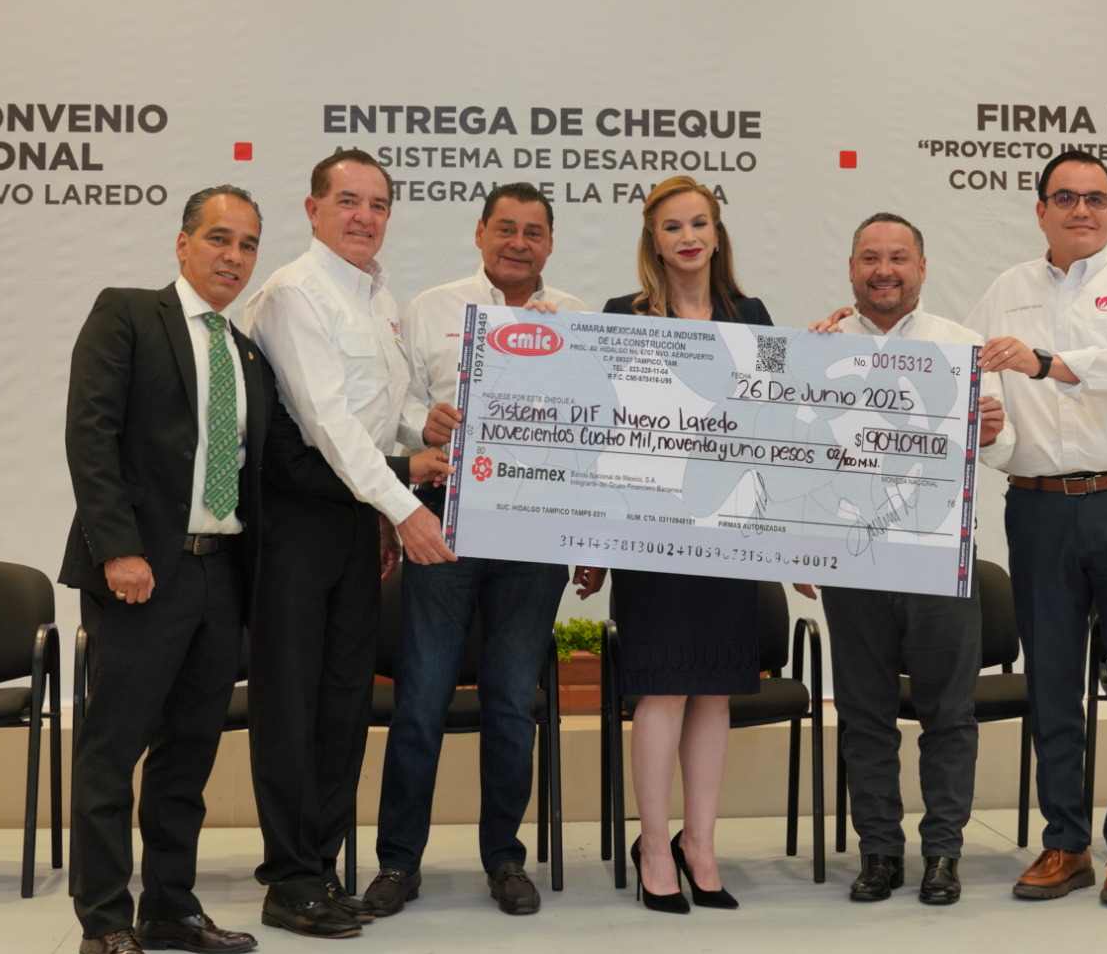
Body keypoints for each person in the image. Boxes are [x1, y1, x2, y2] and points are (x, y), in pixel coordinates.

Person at [243, 149, 455, 939]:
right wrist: (406, 507)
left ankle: (322, 865)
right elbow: (328, 425)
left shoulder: (376, 294)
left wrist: (425, 429)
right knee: (292, 707)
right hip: (296, 527)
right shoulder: (294, 293)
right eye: (348, 200)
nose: (365, 216)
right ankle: (288, 877)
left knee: (343, 704)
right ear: (313, 209)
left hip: (352, 524)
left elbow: (381, 411)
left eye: (378, 203)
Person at [60, 185, 270, 954]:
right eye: (219, 238)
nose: (233, 256)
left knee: (188, 754)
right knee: (113, 750)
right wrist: (117, 547)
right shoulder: (127, 314)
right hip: (141, 571)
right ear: (182, 244)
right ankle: (105, 919)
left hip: (220, 576)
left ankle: (171, 907)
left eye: (248, 244)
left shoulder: (246, 350)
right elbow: (91, 433)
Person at [966, 150, 1107, 906]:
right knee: (1051, 680)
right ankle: (1065, 842)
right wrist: (990, 436)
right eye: (1065, 197)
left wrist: (1048, 362)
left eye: (1095, 198)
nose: (1081, 209)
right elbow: (977, 389)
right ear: (1041, 210)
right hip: (1038, 506)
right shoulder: (1005, 291)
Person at [368, 182, 583, 917]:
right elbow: (394, 404)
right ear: (480, 232)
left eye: (533, 232)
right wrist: (421, 422)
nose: (518, 243)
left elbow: (599, 431)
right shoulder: (430, 308)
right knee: (421, 701)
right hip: (445, 522)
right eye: (505, 228)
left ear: (550, 243)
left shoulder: (578, 319)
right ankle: (398, 862)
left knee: (513, 704)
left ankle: (505, 859)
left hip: (536, 528)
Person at [573, 175, 770, 914]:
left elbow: (771, 429)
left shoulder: (753, 317)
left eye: (699, 223)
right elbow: (600, 434)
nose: (688, 237)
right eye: (672, 227)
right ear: (653, 242)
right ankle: (655, 847)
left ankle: (701, 845)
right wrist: (593, 538)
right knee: (662, 689)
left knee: (714, 690)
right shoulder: (621, 317)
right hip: (648, 533)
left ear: (718, 234)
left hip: (728, 531)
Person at [812, 212, 1012, 906]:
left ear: (922, 268)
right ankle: (879, 852)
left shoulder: (963, 347)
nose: (884, 270)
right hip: (850, 555)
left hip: (937, 553)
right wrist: (798, 542)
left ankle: (943, 854)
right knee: (863, 713)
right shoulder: (819, 346)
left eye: (898, 257)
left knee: (948, 713)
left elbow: (1003, 449)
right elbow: (796, 455)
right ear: (851, 268)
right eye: (870, 257)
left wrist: (994, 431)